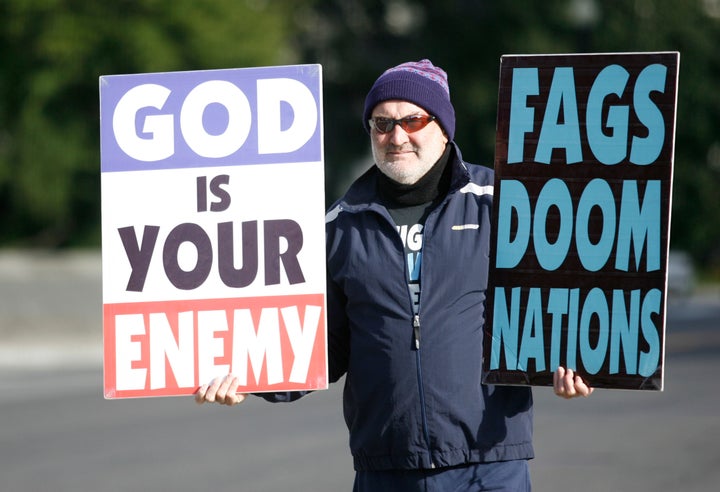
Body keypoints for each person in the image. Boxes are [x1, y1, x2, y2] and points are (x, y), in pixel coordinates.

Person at [195, 59, 593, 491]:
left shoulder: (501, 204)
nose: (396, 136)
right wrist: (245, 376)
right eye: (382, 123)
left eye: (412, 119)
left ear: (443, 126)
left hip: (489, 465)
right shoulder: (337, 227)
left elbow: (556, 307)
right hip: (384, 470)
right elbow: (318, 348)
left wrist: (581, 362)